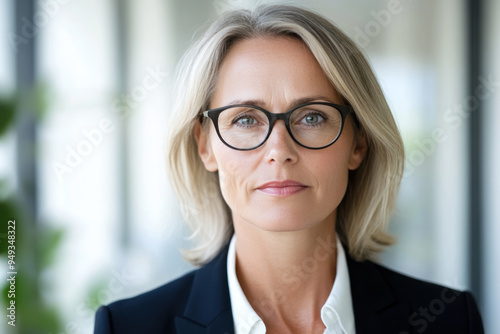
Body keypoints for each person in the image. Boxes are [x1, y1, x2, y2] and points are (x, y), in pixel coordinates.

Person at [94, 4, 484, 334]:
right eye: (246, 120)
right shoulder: (129, 326)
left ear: (358, 143)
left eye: (312, 117)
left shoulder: (448, 318)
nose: (279, 151)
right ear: (204, 145)